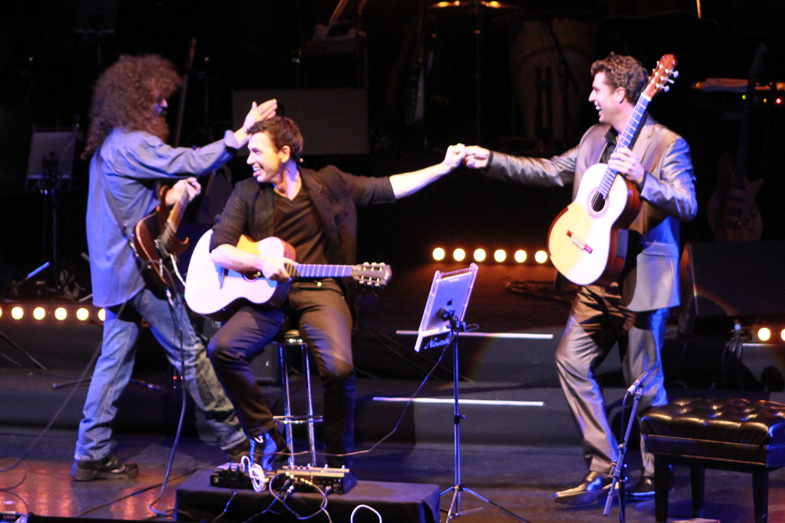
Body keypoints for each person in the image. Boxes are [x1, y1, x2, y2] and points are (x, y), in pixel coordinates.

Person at [463, 53, 697, 503]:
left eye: (597, 89)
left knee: (644, 381)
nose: (589, 96)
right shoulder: (593, 139)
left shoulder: (667, 143)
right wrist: (490, 159)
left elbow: (687, 204)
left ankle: (655, 472)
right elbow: (549, 169)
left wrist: (644, 178)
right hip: (595, 276)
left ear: (622, 94)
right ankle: (605, 465)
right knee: (570, 361)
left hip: (640, 281)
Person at [206, 116, 466, 470]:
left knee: (340, 369)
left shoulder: (329, 184)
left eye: (256, 151)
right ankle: (267, 436)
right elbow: (219, 249)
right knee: (221, 348)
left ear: (284, 152)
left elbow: (388, 187)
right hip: (268, 296)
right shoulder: (247, 192)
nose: (248, 159)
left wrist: (443, 167)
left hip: (320, 291)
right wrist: (262, 264)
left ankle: (338, 461)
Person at [72, 53, 276, 481]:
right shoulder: (134, 143)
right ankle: (238, 443)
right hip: (138, 274)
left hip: (115, 274)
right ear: (133, 101)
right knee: (190, 352)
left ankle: (90, 454)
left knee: (114, 360)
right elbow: (192, 159)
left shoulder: (110, 146)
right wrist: (238, 137)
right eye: (157, 99)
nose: (164, 105)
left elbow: (128, 208)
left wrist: (168, 199)